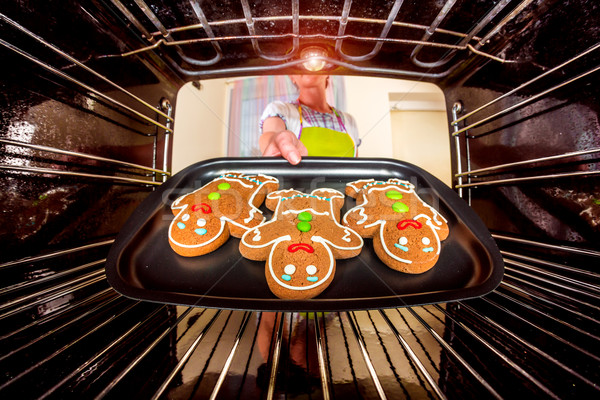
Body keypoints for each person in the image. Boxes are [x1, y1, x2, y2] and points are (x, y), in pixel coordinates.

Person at [259, 75, 360, 165]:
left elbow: (355, 168)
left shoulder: (349, 121)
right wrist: (277, 141)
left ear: (328, 72)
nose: (307, 68)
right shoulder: (280, 110)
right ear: (291, 77)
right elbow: (270, 136)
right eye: (298, 64)